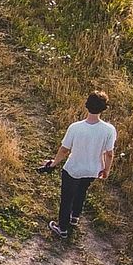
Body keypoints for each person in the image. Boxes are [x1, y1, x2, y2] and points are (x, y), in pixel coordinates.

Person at [42, 91, 116, 238]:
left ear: (87, 105)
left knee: (67, 198)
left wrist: (53, 163)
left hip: (73, 169)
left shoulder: (75, 127)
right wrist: (106, 170)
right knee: (82, 191)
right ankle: (75, 217)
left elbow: (64, 149)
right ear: (104, 108)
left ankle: (62, 228)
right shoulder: (109, 130)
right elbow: (109, 153)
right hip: (93, 169)